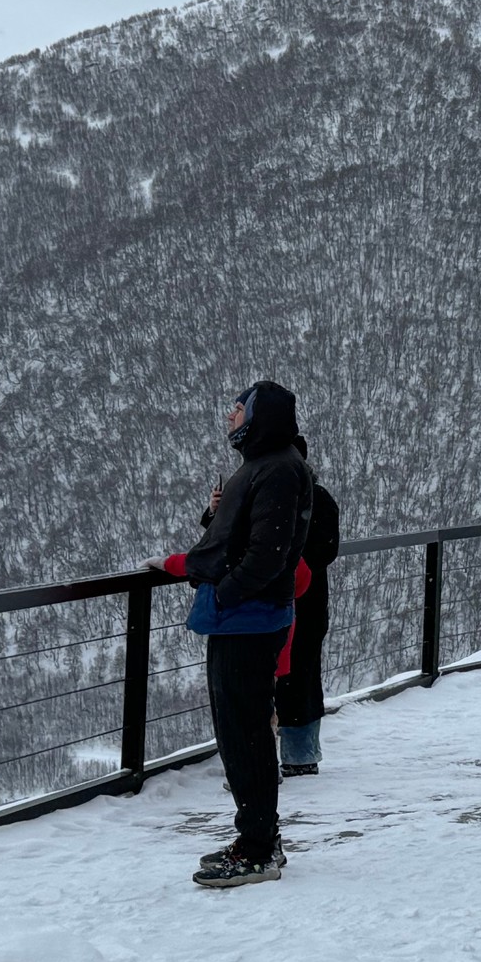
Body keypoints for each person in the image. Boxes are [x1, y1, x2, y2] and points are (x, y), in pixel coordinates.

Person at [150, 380, 313, 889]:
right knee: (240, 733)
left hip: (248, 619)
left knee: (244, 736)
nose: (230, 417)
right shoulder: (267, 465)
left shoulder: (279, 469)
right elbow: (241, 535)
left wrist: (227, 592)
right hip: (243, 616)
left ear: (259, 416)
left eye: (238, 409)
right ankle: (260, 837)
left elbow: (267, 553)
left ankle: (258, 848)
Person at [273, 433, 341, 778]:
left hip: (301, 604)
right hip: (297, 603)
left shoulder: (316, 501)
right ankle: (294, 754)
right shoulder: (312, 499)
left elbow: (323, 550)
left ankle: (297, 755)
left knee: (296, 677)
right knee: (296, 678)